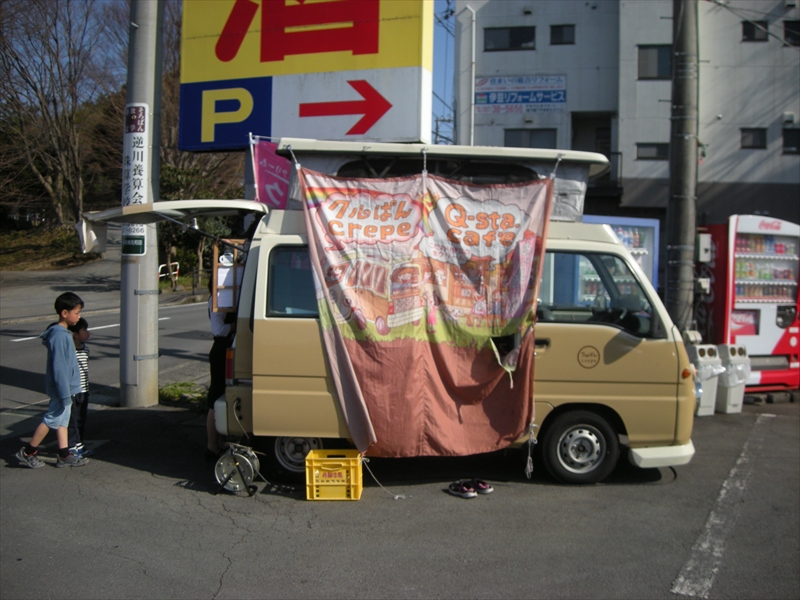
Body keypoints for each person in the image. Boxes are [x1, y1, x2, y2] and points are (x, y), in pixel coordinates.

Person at [16, 292, 89, 468]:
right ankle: (28, 452)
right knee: (51, 420)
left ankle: (64, 455)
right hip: (62, 389)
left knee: (62, 421)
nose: (79, 316)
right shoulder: (59, 335)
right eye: (76, 312)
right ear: (65, 313)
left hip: (67, 388)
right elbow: (59, 368)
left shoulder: (64, 333)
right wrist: (65, 393)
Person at [206, 280, 235, 457]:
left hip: (226, 350)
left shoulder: (225, 297)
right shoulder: (217, 299)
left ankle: (219, 442)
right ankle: (211, 446)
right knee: (215, 397)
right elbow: (218, 330)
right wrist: (235, 326)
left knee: (223, 395)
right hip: (220, 351)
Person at [67, 317, 93, 458]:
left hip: (84, 390)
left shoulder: (85, 349)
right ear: (75, 334)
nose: (88, 332)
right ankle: (72, 447)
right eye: (85, 329)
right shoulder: (70, 352)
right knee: (72, 420)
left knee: (81, 419)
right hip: (73, 391)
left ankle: (80, 445)